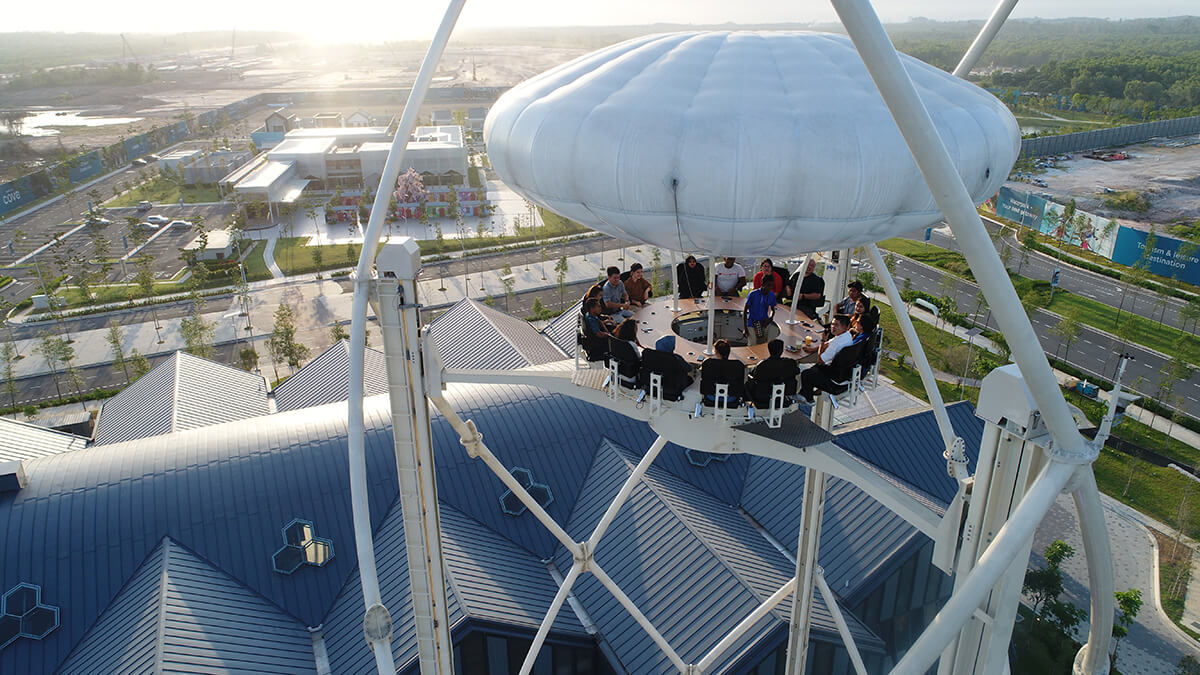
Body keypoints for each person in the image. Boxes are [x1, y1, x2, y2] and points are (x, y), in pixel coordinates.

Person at [798, 314, 856, 402]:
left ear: (845, 327)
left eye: (836, 325)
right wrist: (813, 349)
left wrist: (822, 341)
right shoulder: (847, 336)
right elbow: (828, 343)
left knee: (806, 374)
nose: (833, 327)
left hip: (835, 382)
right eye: (832, 324)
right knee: (815, 368)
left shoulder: (836, 344)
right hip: (842, 375)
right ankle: (804, 393)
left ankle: (807, 399)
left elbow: (820, 360)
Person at [746, 339, 799, 405]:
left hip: (762, 397)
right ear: (781, 351)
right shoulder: (788, 363)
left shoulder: (762, 365)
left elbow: (753, 375)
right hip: (782, 395)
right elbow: (797, 371)